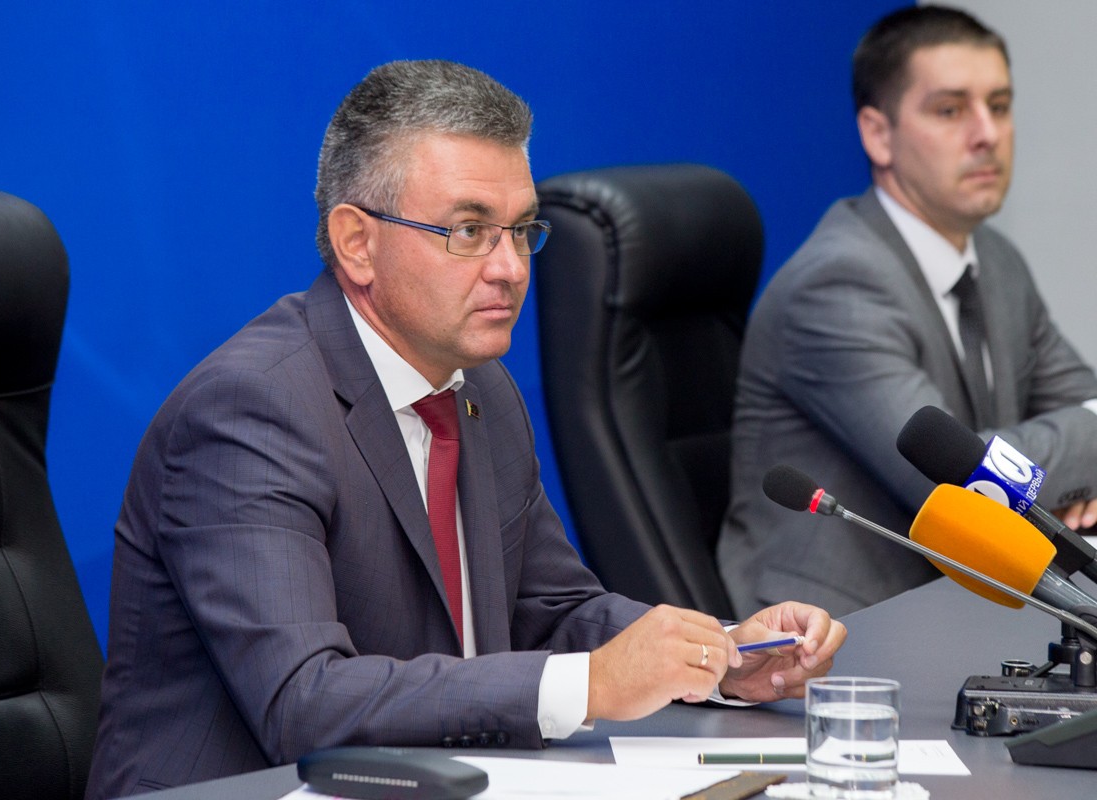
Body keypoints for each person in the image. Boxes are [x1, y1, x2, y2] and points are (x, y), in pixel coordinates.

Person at [84, 61, 845, 797]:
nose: (510, 267)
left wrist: (720, 654)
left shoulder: (479, 386)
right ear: (357, 242)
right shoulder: (250, 409)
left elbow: (551, 613)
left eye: (521, 230)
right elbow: (302, 702)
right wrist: (592, 683)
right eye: (470, 230)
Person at [718, 5, 1097, 619]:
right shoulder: (835, 284)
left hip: (962, 608)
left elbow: (1074, 411)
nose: (988, 133)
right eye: (950, 110)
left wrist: (1066, 470)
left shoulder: (996, 260)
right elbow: (963, 486)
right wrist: (1069, 462)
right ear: (878, 134)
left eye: (999, 106)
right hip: (836, 632)